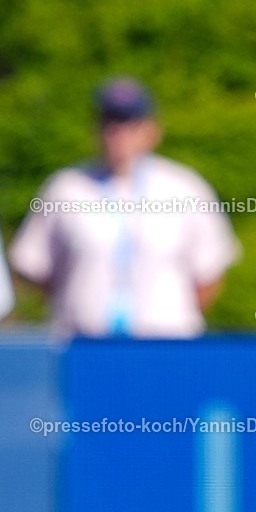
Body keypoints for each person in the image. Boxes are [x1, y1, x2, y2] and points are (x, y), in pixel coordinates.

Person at [9, 78, 239, 338]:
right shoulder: (66, 188)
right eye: (109, 123)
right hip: (84, 342)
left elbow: (209, 273)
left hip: (164, 342)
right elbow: (35, 267)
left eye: (130, 124)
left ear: (152, 130)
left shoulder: (184, 188)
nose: (118, 134)